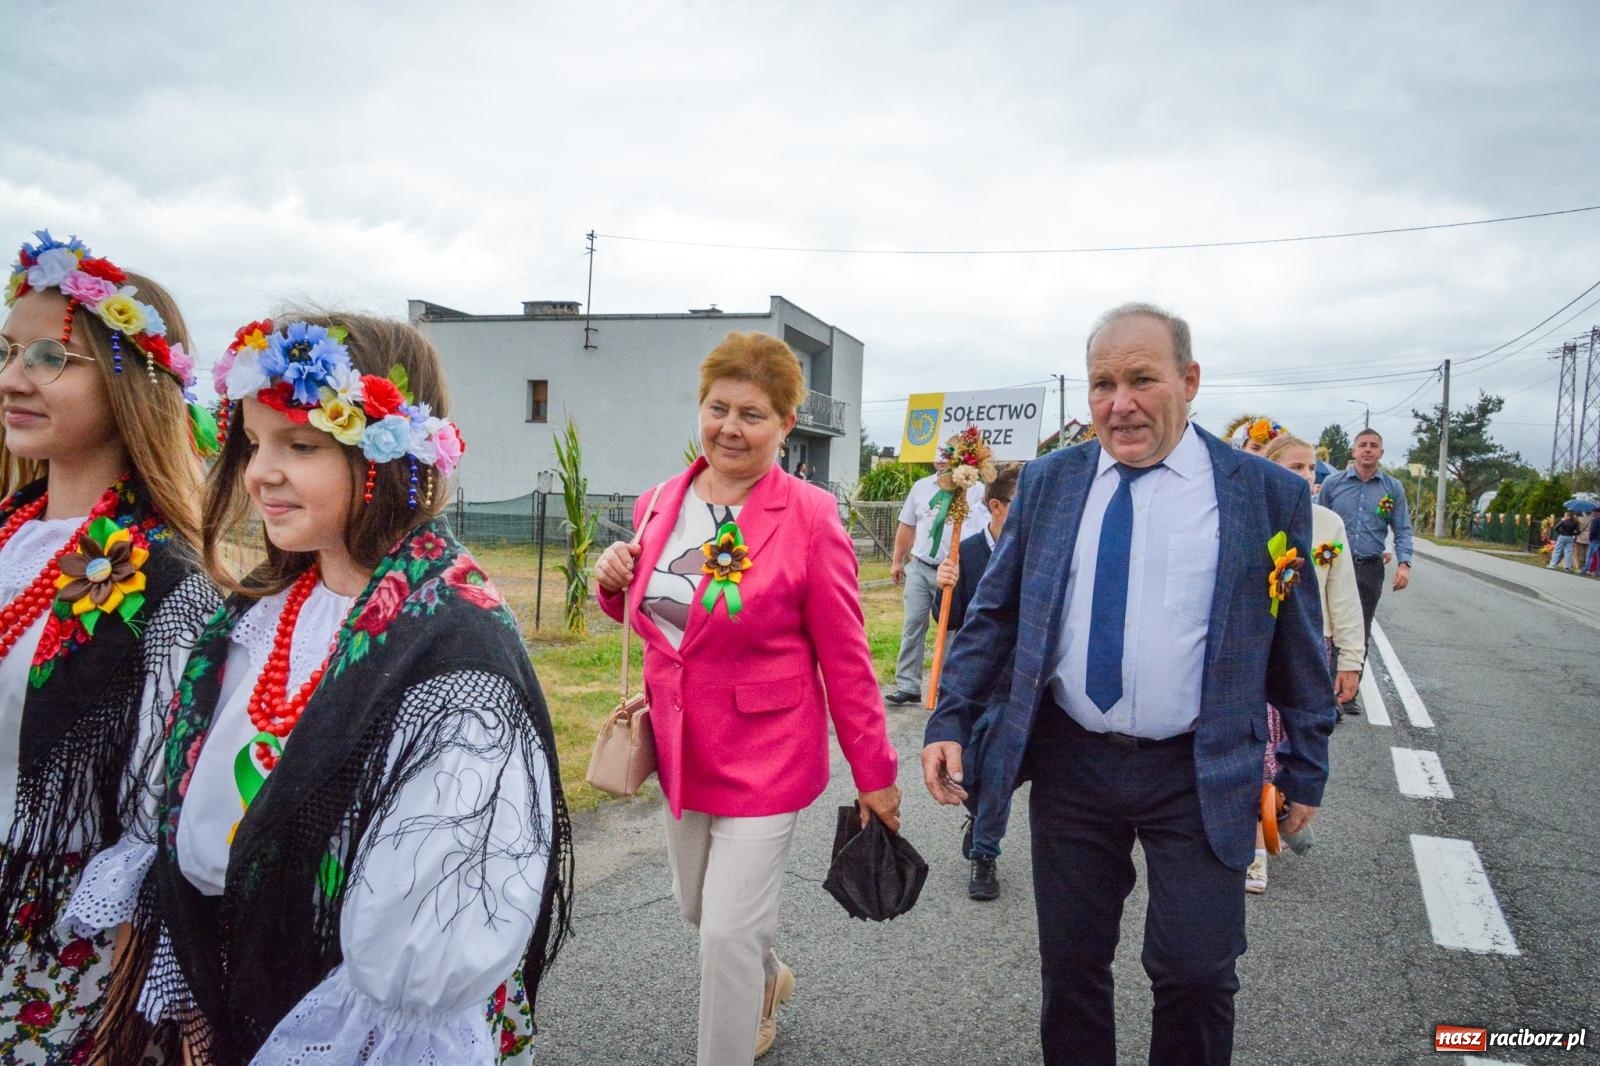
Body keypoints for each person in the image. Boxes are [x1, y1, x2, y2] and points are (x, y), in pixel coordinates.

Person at [73, 313, 571, 1065]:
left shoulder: (450, 650)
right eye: (253, 442)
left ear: (387, 455)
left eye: (300, 446)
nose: (258, 473)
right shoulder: (258, 617)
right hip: (229, 1002)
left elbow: (419, 955)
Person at [923, 303, 1335, 1065]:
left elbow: (1295, 640)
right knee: (1072, 968)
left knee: (1197, 970)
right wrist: (948, 718)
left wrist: (1306, 763)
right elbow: (995, 615)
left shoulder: (1263, 493)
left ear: (1190, 380)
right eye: (1102, 384)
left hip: (1200, 764)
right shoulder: (1049, 483)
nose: (1121, 404)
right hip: (1074, 761)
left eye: (1142, 379)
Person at [594, 330, 900, 1064]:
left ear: (787, 424)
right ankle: (767, 979)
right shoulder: (658, 502)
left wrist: (876, 774)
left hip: (766, 753)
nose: (730, 427)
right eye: (718, 408)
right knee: (700, 909)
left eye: (753, 414)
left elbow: (848, 657)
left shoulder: (810, 515)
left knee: (727, 931)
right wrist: (612, 584)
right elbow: (658, 619)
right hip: (679, 747)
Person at [0, 230, 220, 1063]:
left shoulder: (168, 583)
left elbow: (154, 822)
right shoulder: (10, 541)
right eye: (8, 350)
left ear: (131, 382)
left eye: (53, 357)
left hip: (56, 939)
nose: (13, 379)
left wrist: (124, 1010)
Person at [1252, 435, 1364, 893]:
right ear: (1272, 471)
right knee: (1256, 749)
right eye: (1295, 467)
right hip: (1257, 650)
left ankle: (1283, 817)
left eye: (1311, 469)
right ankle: (1254, 847)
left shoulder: (1328, 525)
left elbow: (1342, 594)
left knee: (1290, 750)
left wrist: (1351, 659)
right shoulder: (1253, 516)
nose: (1306, 477)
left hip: (1306, 651)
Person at [931, 463, 1020, 901]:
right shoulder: (963, 553)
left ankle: (985, 853)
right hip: (972, 683)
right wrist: (944, 586)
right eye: (1019, 508)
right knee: (967, 768)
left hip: (1015, 682)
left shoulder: (1034, 552)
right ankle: (978, 811)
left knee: (1001, 769)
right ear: (996, 507)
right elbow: (945, 618)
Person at [1316, 428, 1413, 707]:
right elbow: (1314, 520)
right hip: (1331, 566)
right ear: (1354, 451)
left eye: (1373, 445)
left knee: (1359, 628)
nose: (1368, 449)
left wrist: (1404, 564)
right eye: (1363, 445)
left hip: (1368, 567)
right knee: (1329, 627)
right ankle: (1325, 692)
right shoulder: (1334, 484)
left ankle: (1348, 692)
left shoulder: (1392, 488)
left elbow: (1402, 528)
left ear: (1381, 452)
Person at [886, 458, 987, 704]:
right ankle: (908, 685)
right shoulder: (921, 487)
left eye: (948, 455)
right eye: (939, 455)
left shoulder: (976, 489)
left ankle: (946, 686)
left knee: (953, 630)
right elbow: (907, 525)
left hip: (955, 571)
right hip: (921, 567)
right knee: (913, 625)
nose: (942, 461)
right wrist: (897, 560)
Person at [1587, 511, 1600, 575]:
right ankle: (1598, 571)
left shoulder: (1596, 520)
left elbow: (1593, 530)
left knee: (1590, 555)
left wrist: (1590, 538)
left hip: (1595, 539)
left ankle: (1587, 569)